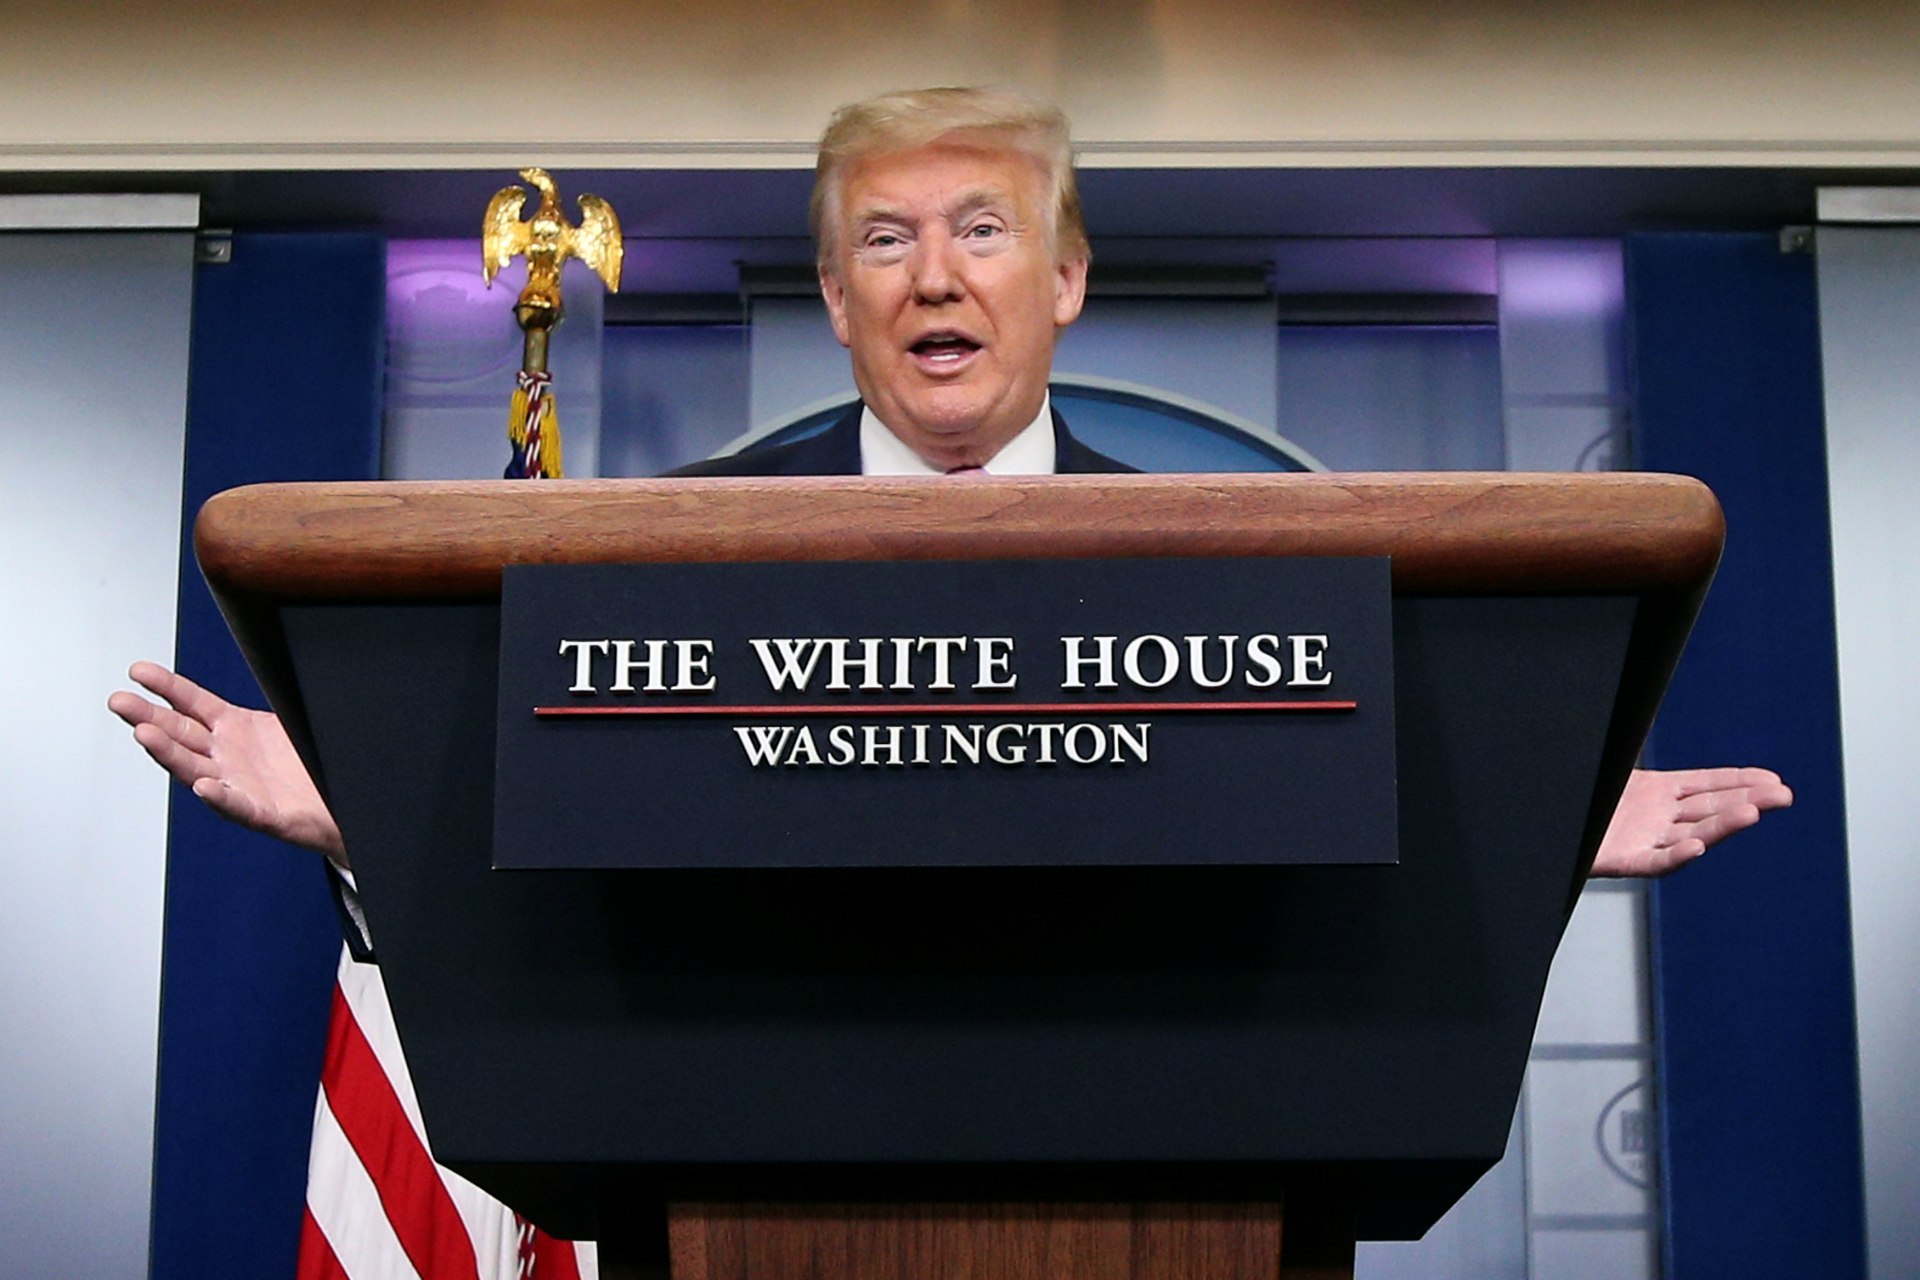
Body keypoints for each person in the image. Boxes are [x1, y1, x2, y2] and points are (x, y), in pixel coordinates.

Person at [109, 87, 1790, 876]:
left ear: (1064, 280)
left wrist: (1532, 835)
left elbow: (1297, 798)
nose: (935, 277)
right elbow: (587, 803)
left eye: (983, 232)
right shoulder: (675, 546)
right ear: (836, 300)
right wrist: (366, 805)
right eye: (886, 242)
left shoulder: (1222, 554)